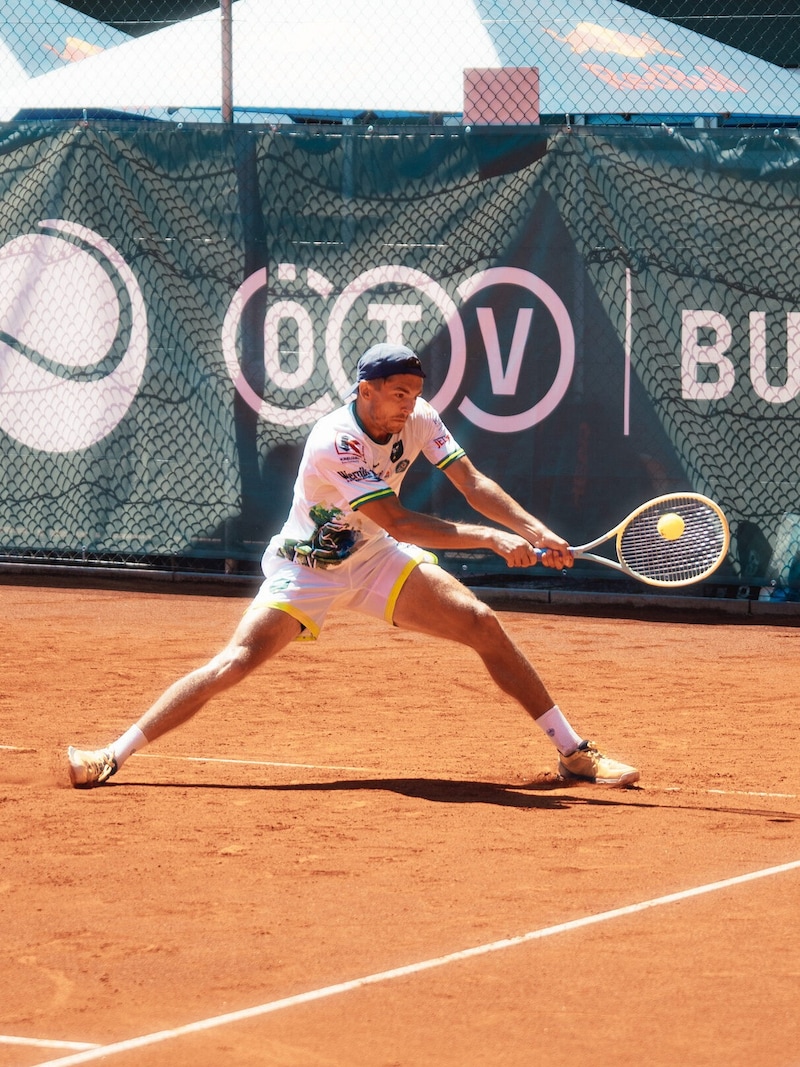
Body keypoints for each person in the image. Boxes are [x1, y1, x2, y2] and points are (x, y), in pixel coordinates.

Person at [68, 343, 639, 789]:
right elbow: (401, 522)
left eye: (414, 393)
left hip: (373, 561)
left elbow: (471, 482)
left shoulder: (418, 418)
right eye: (397, 394)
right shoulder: (335, 442)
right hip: (307, 568)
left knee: (481, 623)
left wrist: (533, 531)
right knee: (236, 662)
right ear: (365, 390)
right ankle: (111, 755)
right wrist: (491, 540)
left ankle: (574, 754)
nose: (408, 404)